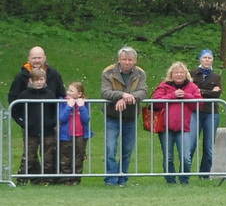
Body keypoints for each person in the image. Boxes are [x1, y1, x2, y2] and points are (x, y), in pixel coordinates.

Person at [8, 46, 65, 184]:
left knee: (49, 154)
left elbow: (61, 97)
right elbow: (14, 102)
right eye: (34, 57)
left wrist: (55, 120)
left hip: (49, 126)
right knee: (29, 154)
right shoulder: (21, 77)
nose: (37, 60)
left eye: (39, 57)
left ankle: (48, 180)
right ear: (29, 59)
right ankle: (27, 179)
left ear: (45, 58)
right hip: (30, 124)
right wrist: (23, 121)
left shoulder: (54, 74)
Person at [100, 47, 149, 185]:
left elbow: (143, 91)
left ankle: (122, 178)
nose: (127, 62)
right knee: (110, 148)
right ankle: (111, 178)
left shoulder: (140, 73)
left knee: (127, 150)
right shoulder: (108, 72)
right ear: (119, 60)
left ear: (135, 61)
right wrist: (122, 95)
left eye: (130, 60)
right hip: (112, 116)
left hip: (131, 117)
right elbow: (105, 92)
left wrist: (128, 97)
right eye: (124, 59)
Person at [151, 61, 202, 184]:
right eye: (176, 72)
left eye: (181, 72)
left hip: (184, 127)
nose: (179, 75)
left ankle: (184, 180)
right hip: (165, 127)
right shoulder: (164, 86)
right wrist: (172, 95)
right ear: (171, 74)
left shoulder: (192, 87)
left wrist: (186, 96)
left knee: (186, 157)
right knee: (168, 157)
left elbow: (199, 104)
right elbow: (156, 102)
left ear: (186, 74)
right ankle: (170, 180)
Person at [191, 49, 224, 178]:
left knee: (209, 146)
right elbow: (191, 92)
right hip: (195, 112)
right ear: (200, 59)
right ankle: (185, 173)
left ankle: (204, 175)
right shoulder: (192, 74)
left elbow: (217, 94)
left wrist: (200, 91)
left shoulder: (216, 76)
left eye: (209, 58)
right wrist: (208, 91)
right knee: (191, 144)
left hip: (211, 113)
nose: (207, 60)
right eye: (204, 57)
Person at [55, 81, 92, 184]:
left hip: (80, 135)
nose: (68, 92)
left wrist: (82, 107)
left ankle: (76, 178)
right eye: (68, 90)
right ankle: (66, 178)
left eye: (71, 91)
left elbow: (86, 119)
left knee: (78, 157)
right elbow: (62, 118)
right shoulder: (62, 102)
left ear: (79, 94)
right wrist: (69, 107)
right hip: (65, 135)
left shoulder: (84, 103)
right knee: (65, 157)